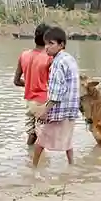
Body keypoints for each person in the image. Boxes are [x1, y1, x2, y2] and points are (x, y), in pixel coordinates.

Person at [29, 26, 78, 167]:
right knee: (68, 140)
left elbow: (56, 94)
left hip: (60, 110)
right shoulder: (70, 59)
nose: (47, 47)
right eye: (46, 43)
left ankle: (33, 169)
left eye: (51, 43)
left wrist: (44, 112)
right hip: (71, 110)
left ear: (61, 44)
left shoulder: (57, 62)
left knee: (41, 140)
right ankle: (72, 165)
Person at [13, 23, 52, 146]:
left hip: (29, 102)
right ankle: (38, 163)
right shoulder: (49, 58)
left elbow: (16, 81)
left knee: (32, 133)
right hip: (42, 101)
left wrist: (30, 83)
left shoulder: (24, 55)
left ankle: (28, 158)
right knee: (42, 135)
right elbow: (54, 83)